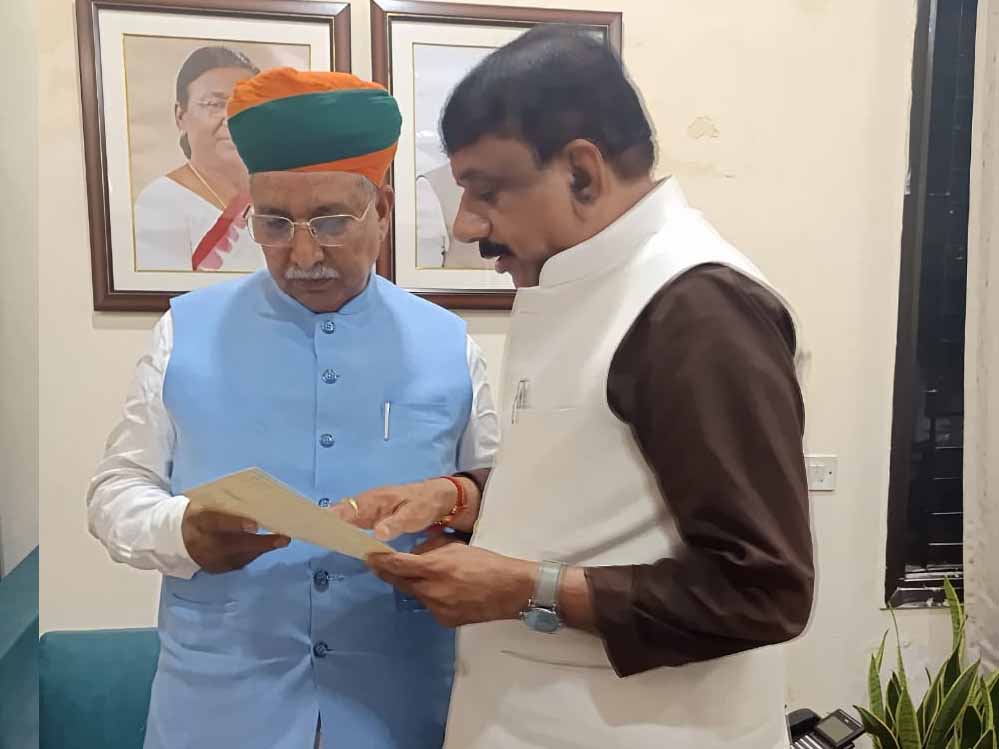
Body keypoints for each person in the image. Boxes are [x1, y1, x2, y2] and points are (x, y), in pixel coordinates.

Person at [341, 26, 815, 749]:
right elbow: (593, 481)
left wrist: (525, 588)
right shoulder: (580, 281)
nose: (466, 226)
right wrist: (456, 496)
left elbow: (764, 591)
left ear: (583, 173)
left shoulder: (697, 307)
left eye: (486, 192)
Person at [87, 68, 499, 749]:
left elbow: (501, 503)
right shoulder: (183, 332)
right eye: (274, 223)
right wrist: (180, 529)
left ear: (383, 211)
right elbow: (115, 490)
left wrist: (454, 511)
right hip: (217, 714)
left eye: (331, 221)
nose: (303, 253)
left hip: (399, 713)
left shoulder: (449, 344)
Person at [133, 46, 262, 272]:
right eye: (216, 105)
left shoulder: (276, 198)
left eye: (246, 105)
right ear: (180, 116)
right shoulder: (161, 201)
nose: (232, 119)